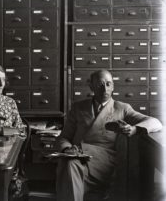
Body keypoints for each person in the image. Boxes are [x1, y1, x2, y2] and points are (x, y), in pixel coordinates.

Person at [56, 69, 162, 201]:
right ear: (91, 86)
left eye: (108, 84)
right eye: (100, 84)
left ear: (113, 86)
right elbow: (64, 137)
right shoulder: (78, 107)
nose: (104, 89)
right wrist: (67, 149)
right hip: (77, 156)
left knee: (70, 166)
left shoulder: (122, 108)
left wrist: (135, 129)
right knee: (70, 164)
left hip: (104, 161)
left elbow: (156, 122)